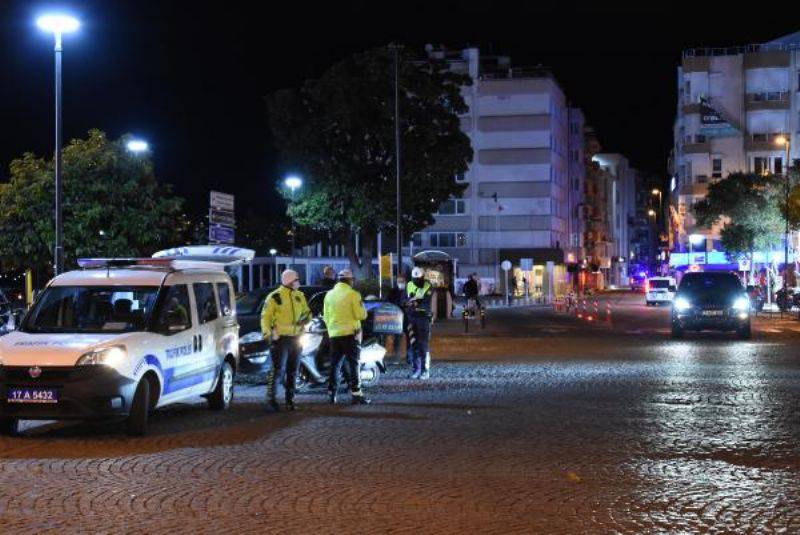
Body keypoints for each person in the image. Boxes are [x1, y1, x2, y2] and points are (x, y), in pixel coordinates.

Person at [261, 269, 311, 412]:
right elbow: (265, 317)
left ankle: (290, 400)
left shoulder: (300, 296)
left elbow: (307, 313)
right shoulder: (274, 297)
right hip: (281, 339)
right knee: (278, 370)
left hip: (297, 338)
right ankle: (271, 399)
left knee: (293, 371)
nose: (299, 282)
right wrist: (268, 334)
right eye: (297, 279)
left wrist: (306, 319)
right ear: (290, 281)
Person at [323, 269, 371, 405]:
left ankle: (332, 394)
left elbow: (326, 316)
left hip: (334, 335)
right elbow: (361, 315)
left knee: (335, 365)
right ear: (350, 280)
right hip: (351, 335)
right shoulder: (353, 295)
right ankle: (356, 394)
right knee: (354, 364)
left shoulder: (329, 295)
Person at [406, 267, 434, 380]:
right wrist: (407, 302)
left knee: (423, 345)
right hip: (412, 317)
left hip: (423, 318)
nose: (416, 280)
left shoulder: (428, 286)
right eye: (415, 278)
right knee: (413, 344)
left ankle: (425, 370)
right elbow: (404, 299)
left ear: (422, 277)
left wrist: (415, 302)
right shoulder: (409, 285)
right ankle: (416, 370)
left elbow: (426, 301)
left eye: (419, 278)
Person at [387, 275, 411, 364]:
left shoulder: (409, 290)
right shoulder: (393, 291)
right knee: (397, 338)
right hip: (396, 318)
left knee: (410, 338)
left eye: (402, 281)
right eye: (399, 281)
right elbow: (389, 302)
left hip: (407, 317)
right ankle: (396, 356)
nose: (400, 283)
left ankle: (409, 357)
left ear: (406, 281)